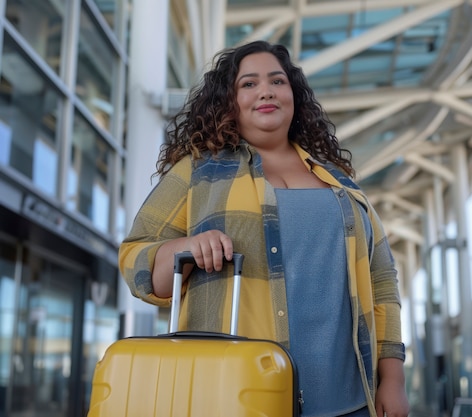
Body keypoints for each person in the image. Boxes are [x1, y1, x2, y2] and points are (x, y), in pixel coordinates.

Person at [119, 40, 409, 417]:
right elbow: (135, 264)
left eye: (277, 81)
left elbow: (382, 280)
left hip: (351, 400)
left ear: (294, 96)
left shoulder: (342, 185)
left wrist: (393, 379)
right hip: (238, 397)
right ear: (228, 101)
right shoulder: (198, 172)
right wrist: (187, 246)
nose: (266, 91)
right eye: (248, 84)